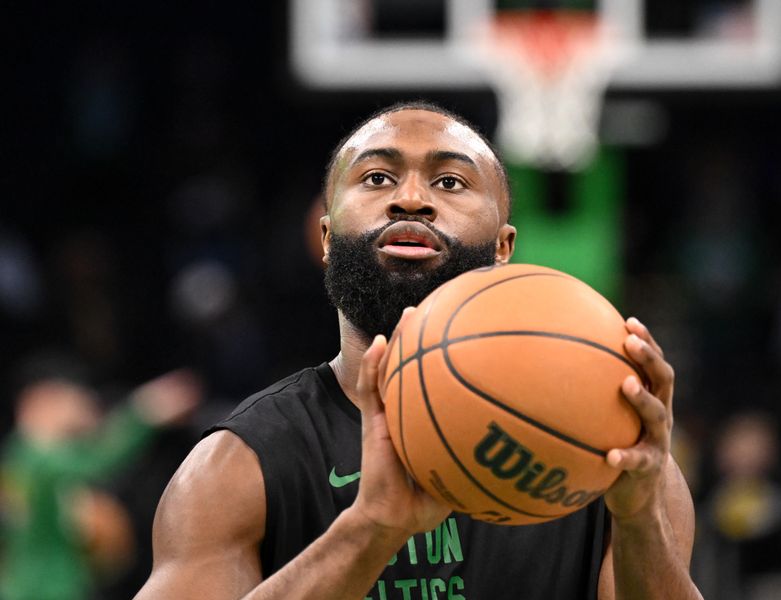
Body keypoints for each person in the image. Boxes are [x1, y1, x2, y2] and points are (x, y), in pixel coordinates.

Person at [136, 101, 702, 599]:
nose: (411, 199)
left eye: (450, 182)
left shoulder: (611, 452)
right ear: (327, 239)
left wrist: (640, 522)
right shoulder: (240, 463)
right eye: (378, 178)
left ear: (504, 246)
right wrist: (371, 528)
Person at [0, 368, 200, 600]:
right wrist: (144, 411)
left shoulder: (18, 456)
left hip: (22, 586)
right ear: (44, 402)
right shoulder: (40, 457)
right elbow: (99, 459)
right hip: (49, 587)